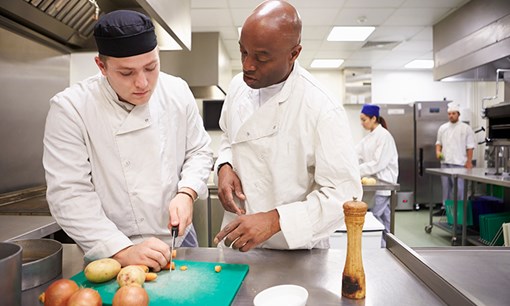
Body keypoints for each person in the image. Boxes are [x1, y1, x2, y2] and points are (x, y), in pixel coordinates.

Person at [42, 10, 213, 270]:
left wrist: (186, 192)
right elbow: (69, 193)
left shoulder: (176, 91)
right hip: (112, 246)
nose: (142, 83)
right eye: (126, 73)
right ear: (102, 67)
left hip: (179, 239)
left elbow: (199, 150)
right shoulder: (71, 108)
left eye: (151, 67)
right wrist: (121, 250)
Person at [213, 0, 362, 252]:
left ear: (294, 54)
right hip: (236, 242)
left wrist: (275, 219)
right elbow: (228, 136)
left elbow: (344, 196)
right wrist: (224, 166)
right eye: (243, 52)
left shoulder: (322, 108)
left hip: (294, 251)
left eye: (261, 57)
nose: (247, 65)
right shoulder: (239, 86)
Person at [355, 104, 398, 247]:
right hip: (376, 182)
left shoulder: (384, 136)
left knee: (376, 217)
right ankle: (387, 246)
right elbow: (356, 153)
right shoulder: (369, 137)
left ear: (374, 118)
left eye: (364, 120)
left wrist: (356, 170)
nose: (362, 123)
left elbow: (377, 163)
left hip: (384, 182)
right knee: (385, 218)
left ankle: (379, 247)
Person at [435, 102, 475, 213]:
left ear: (458, 114)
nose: (451, 116)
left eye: (453, 113)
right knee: (446, 188)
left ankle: (459, 210)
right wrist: (438, 151)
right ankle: (445, 209)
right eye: (449, 114)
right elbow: (438, 143)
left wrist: (469, 161)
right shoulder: (443, 128)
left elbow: (470, 146)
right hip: (445, 162)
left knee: (460, 189)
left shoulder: (466, 128)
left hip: (460, 163)